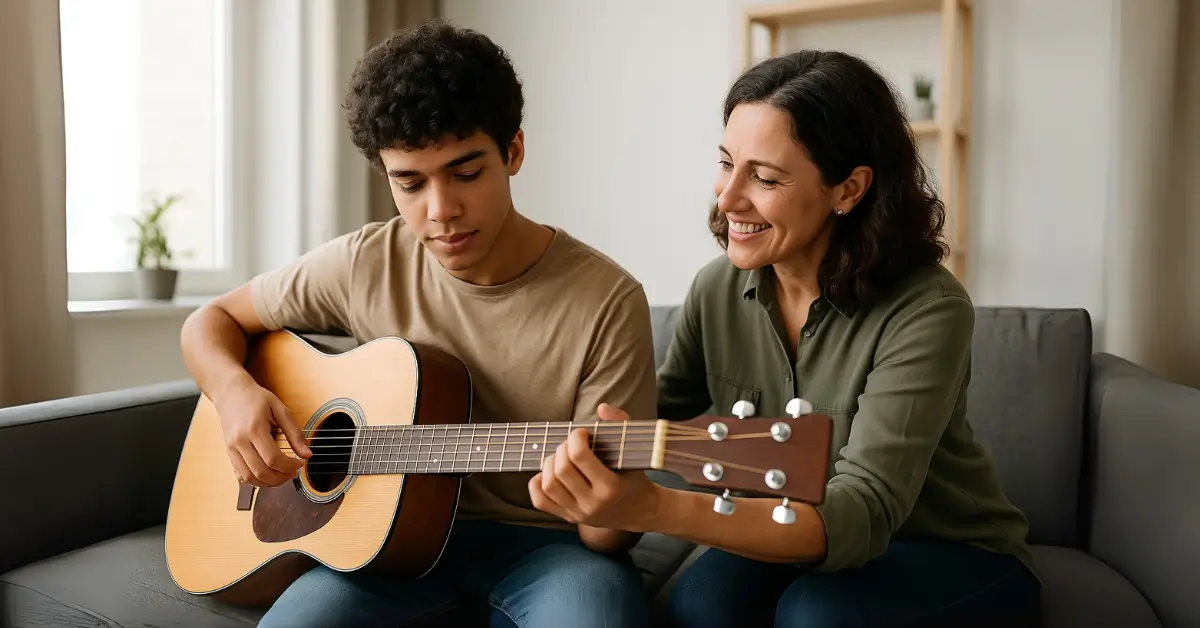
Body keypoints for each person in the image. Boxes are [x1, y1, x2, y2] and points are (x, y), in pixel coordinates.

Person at [532, 50, 1041, 627]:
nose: (727, 198)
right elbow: (647, 419)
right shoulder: (716, 290)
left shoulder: (928, 309)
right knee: (699, 605)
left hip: (945, 548)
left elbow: (864, 511)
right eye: (727, 163)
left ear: (848, 189)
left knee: (815, 615)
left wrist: (656, 506)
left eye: (765, 178)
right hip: (781, 531)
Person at [179, 19, 656, 628]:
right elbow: (211, 320)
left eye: (466, 174)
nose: (441, 211)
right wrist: (234, 393)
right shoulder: (366, 263)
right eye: (409, 183)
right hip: (383, 548)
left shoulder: (608, 299)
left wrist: (613, 505)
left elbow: (606, 534)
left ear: (513, 152)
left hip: (549, 549)